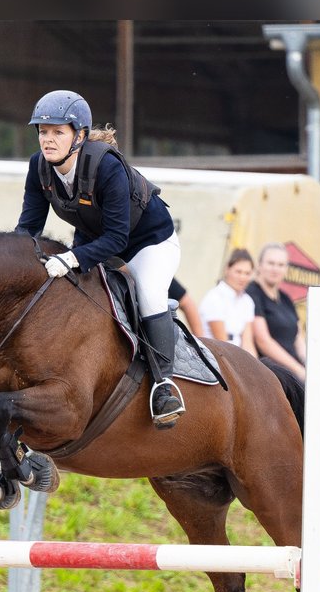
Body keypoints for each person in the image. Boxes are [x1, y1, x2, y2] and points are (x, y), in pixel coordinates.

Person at [15, 89, 185, 428]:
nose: (47, 140)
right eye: (43, 132)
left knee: (148, 294)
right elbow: (29, 226)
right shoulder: (39, 166)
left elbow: (118, 237)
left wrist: (71, 258)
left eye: (57, 132)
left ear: (78, 136)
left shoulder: (106, 166)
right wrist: (11, 260)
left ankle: (164, 385)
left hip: (148, 242)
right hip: (95, 240)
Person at [247, 242, 320, 449]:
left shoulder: (286, 299)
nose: (275, 268)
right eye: (270, 263)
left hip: (294, 363)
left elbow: (298, 336)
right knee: (308, 385)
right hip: (270, 365)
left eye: (280, 264)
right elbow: (264, 340)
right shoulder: (253, 293)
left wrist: (310, 362)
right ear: (259, 266)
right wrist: (297, 368)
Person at [198, 248, 257, 355]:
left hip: (236, 357)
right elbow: (222, 344)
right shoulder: (214, 298)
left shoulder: (248, 301)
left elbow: (248, 343)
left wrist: (256, 368)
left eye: (247, 273)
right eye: (238, 272)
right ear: (227, 270)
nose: (242, 277)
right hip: (214, 356)